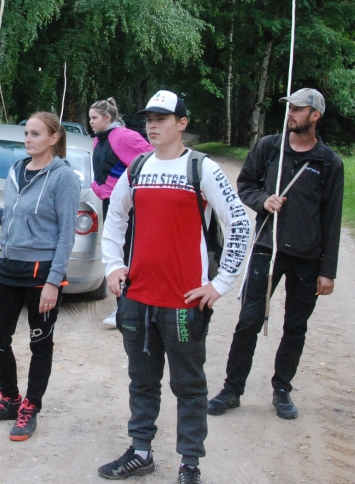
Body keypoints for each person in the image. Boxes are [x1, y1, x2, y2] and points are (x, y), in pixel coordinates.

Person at [98, 91, 251, 483]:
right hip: (137, 299)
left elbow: (239, 222)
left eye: (163, 118)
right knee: (142, 380)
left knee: (189, 385)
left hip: (185, 301)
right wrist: (114, 266)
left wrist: (219, 284)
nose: (153, 125)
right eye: (149, 118)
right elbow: (114, 219)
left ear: (182, 123)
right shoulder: (137, 168)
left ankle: (190, 464)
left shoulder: (202, 169)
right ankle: (141, 451)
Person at [208, 88, 344, 420]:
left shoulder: (328, 162)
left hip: (307, 257)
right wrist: (263, 200)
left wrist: (328, 270)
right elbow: (246, 185)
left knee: (295, 326)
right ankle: (231, 389)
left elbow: (332, 218)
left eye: (298, 109)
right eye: (289, 107)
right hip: (267, 249)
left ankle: (282, 390)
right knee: (248, 321)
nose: (290, 114)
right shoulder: (269, 148)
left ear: (315, 115)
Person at [0, 112, 79, 441]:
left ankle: (31, 406)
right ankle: (10, 399)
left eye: (35, 133)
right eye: (26, 133)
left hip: (40, 273)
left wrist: (53, 282)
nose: (28, 138)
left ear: (53, 138)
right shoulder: (16, 171)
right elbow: (9, 217)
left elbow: (66, 236)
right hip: (8, 267)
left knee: (39, 343)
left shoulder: (63, 178)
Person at [88, 97, 153, 329]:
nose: (91, 122)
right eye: (90, 118)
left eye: (94, 118)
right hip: (110, 204)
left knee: (128, 254)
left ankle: (129, 309)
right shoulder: (99, 139)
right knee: (115, 251)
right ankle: (125, 307)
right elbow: (100, 171)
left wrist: (126, 189)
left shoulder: (124, 136)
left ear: (107, 118)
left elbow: (150, 159)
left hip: (129, 207)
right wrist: (98, 188)